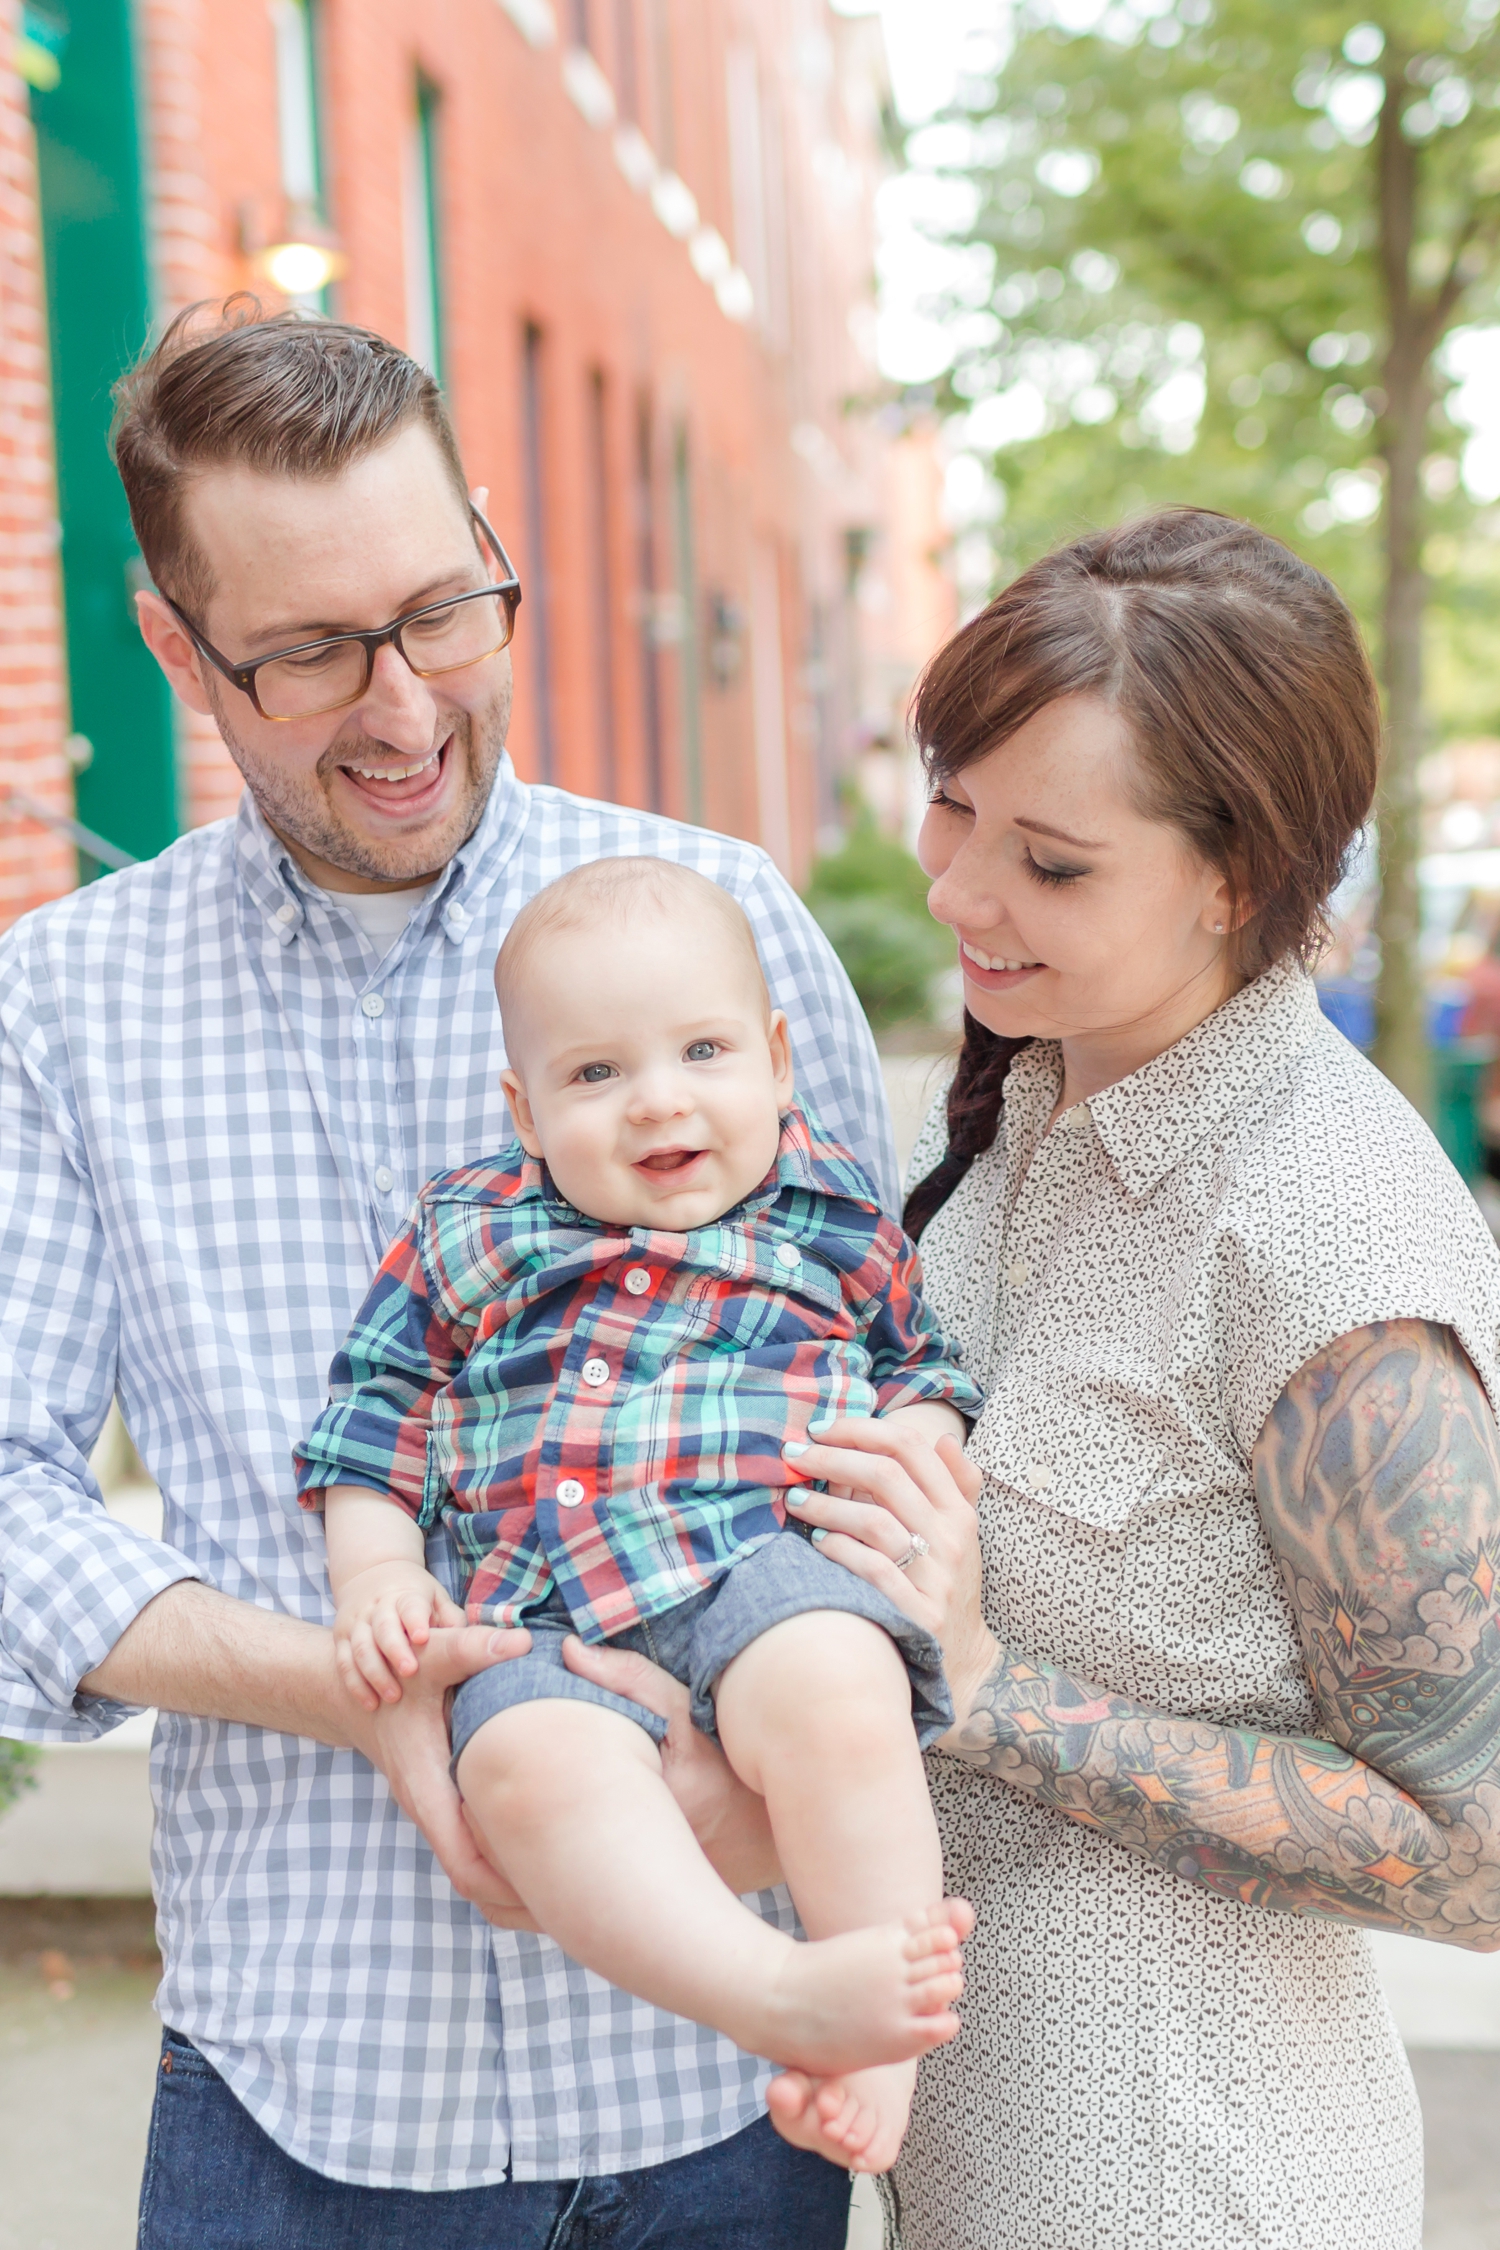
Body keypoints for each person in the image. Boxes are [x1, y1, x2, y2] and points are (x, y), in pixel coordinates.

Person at [0, 301, 896, 2248]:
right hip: (307, 2080)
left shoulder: (727, 917)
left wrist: (816, 1731)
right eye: (314, 654)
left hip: (717, 2078)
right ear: (175, 643)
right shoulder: (60, 1005)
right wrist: (346, 1683)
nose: (405, 710)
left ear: (496, 545)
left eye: (445, 613)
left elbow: (884, 1397)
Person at [765, 511, 1500, 2247]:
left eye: (1052, 860)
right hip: (964, 2176)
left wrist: (986, 1681)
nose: (958, 891)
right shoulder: (1042, 1095)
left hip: (1190, 2187)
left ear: (1234, 876)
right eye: (952, 808)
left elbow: (1476, 1847)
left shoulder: (1322, 1227)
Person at [300, 856, 982, 2172]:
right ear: (525, 1105)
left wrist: (919, 1444)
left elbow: (925, 1368)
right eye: (595, 1073)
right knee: (518, 1773)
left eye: (704, 1050)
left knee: (845, 1688)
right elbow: (372, 1413)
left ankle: (879, 2039)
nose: (658, 1098)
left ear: (780, 1061)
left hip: (764, 1566)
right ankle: (766, 1990)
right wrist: (376, 1573)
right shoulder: (467, 1233)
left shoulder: (828, 1211)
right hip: (537, 1620)